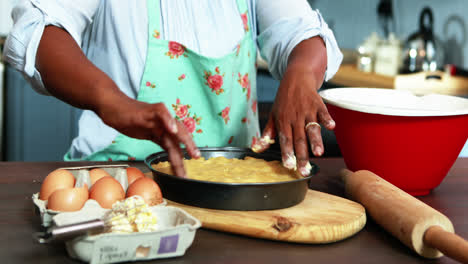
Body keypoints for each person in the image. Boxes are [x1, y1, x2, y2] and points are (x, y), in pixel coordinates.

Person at [3, 0, 342, 177]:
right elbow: (40, 30)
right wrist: (111, 101)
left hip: (234, 193)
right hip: (122, 186)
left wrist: (300, 75)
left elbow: (303, 33)